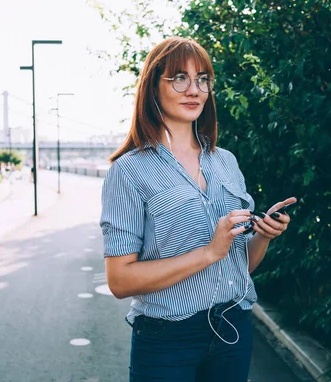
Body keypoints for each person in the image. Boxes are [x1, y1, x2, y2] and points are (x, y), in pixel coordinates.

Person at [100, 36, 296, 382]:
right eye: (180, 78)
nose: (194, 89)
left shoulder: (226, 162)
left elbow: (238, 263)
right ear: (153, 87)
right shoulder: (129, 171)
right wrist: (208, 252)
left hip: (234, 328)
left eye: (203, 79)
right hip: (166, 341)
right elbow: (119, 280)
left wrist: (263, 236)